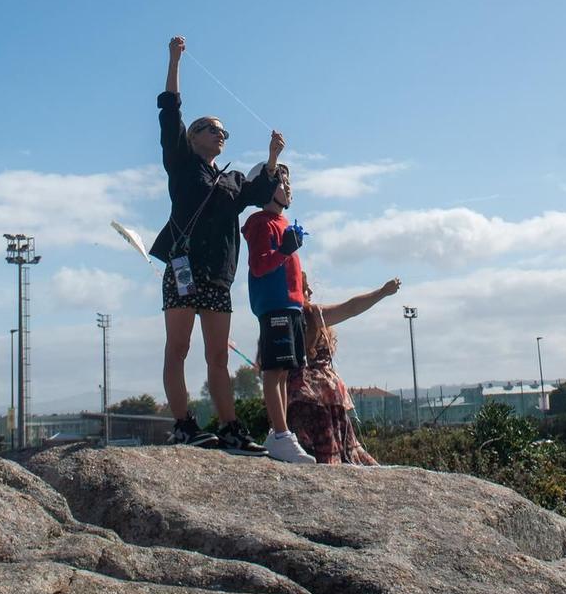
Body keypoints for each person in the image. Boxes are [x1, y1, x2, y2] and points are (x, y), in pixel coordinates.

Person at [152, 36, 283, 452]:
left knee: (218, 357)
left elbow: (263, 191)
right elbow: (170, 111)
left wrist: (273, 156)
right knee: (179, 347)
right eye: (210, 128)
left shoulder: (232, 181)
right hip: (183, 266)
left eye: (223, 131)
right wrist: (174, 60)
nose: (219, 134)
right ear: (192, 137)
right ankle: (183, 424)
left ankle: (230, 427)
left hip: (217, 275)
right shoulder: (181, 161)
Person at [286, 276, 401, 465]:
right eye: (306, 288)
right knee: (332, 451)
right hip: (320, 395)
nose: (311, 292)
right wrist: (382, 292)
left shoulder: (279, 318)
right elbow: (350, 308)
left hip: (298, 395)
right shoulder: (310, 314)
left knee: (311, 451)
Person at [243, 165, 313, 463]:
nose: (288, 188)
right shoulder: (260, 222)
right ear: (266, 188)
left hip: (290, 305)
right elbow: (259, 266)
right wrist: (284, 251)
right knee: (274, 372)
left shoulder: (281, 221)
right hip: (275, 305)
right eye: (282, 182)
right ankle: (281, 434)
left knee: (284, 372)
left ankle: (279, 432)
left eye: (289, 182)